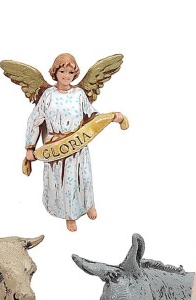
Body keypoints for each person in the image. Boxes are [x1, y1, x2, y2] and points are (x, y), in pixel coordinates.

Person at [25, 53, 124, 232]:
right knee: (64, 182)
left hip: (78, 146)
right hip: (56, 148)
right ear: (55, 72)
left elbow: (91, 114)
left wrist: (111, 118)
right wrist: (30, 147)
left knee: (84, 178)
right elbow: (34, 120)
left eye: (70, 72)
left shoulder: (79, 94)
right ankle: (69, 214)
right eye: (62, 71)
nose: (66, 76)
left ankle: (88, 204)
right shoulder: (48, 95)